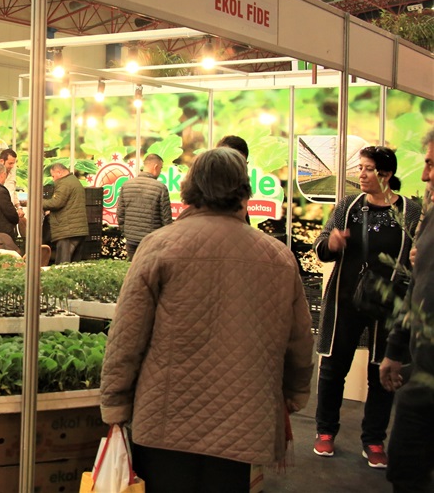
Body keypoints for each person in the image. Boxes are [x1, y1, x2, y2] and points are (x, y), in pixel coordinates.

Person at [100, 148, 314, 491]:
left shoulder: (160, 245)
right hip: (245, 420)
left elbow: (127, 335)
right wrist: (294, 391)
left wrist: (115, 401)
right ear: (243, 190)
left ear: (190, 188)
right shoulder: (278, 256)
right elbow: (300, 339)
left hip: (165, 419)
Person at [312, 145, 421, 468]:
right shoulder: (348, 206)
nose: (360, 174)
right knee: (333, 369)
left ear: (386, 174)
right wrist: (330, 244)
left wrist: (417, 260)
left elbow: (419, 258)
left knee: (381, 372)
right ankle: (325, 431)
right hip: (345, 301)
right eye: (359, 167)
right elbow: (321, 245)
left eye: (368, 168)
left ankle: (374, 439)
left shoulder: (410, 213)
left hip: (387, 305)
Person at [380, 129, 434, 491]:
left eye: (431, 164)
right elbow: (418, 287)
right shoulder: (430, 217)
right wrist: (395, 350)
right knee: (404, 468)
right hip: (421, 375)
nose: (425, 175)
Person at [116, 153, 173, 261]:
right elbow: (166, 219)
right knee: (148, 272)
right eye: (160, 168)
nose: (160, 172)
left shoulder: (127, 185)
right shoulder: (160, 188)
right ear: (156, 167)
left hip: (131, 239)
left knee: (132, 270)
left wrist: (126, 232)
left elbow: (120, 214)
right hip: (151, 241)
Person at [42, 162, 89, 264]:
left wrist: (39, 202)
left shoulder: (64, 183)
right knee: (73, 265)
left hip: (67, 230)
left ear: (59, 172)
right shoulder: (73, 181)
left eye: (53, 176)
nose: (53, 179)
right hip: (77, 228)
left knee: (62, 265)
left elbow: (56, 203)